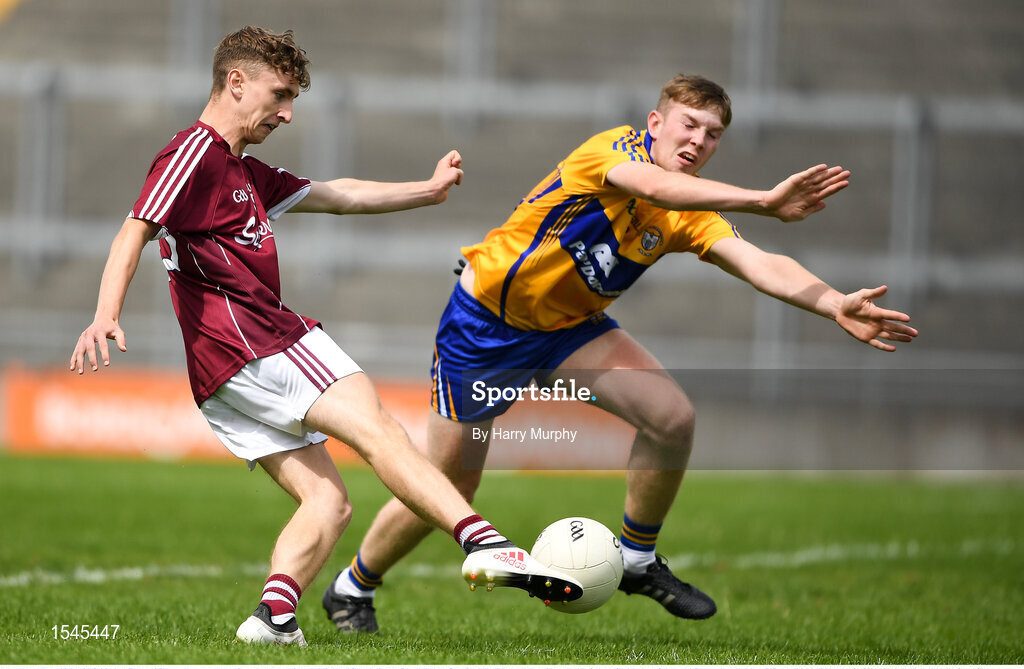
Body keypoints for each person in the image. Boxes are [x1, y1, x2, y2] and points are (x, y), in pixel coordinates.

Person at [326, 74, 918, 632]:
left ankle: (636, 559)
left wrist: (834, 302)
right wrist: (763, 200)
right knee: (451, 490)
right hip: (484, 328)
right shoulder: (609, 151)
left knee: (672, 417)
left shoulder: (688, 212)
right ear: (655, 121)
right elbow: (653, 184)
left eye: (713, 135)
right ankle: (353, 587)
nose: (699, 141)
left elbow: (757, 262)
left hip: (570, 330)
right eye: (689, 124)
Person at [68, 26, 582, 647]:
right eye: (279, 94)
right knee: (381, 431)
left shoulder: (242, 171)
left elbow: (338, 196)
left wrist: (427, 190)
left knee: (328, 502)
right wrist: (105, 312)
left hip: (220, 374)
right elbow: (135, 229)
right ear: (235, 82)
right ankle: (486, 544)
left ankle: (272, 622)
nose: (287, 113)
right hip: (259, 343)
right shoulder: (194, 153)